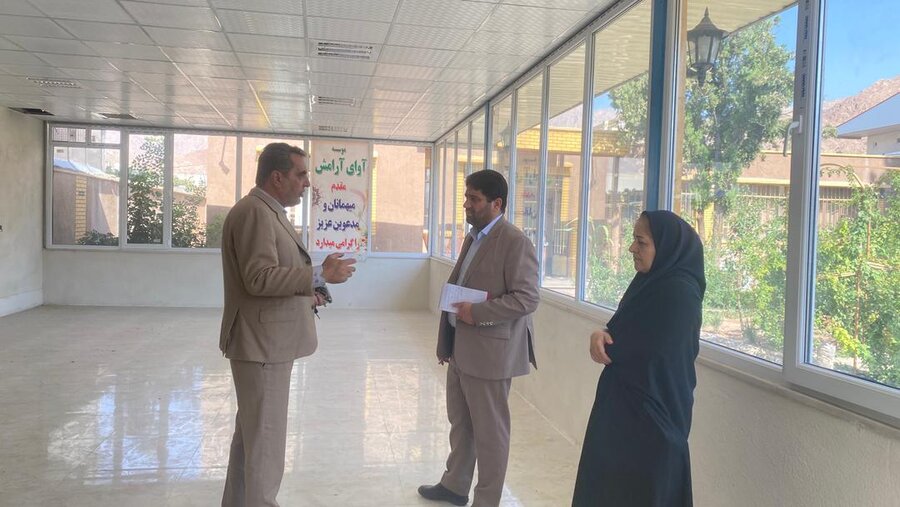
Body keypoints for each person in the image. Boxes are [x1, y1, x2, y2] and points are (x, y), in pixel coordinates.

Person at [219, 142, 356, 507]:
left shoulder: (268, 211)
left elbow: (268, 277)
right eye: (301, 174)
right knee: (264, 442)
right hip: (262, 344)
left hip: (266, 340)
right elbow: (258, 278)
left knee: (252, 438)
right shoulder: (255, 212)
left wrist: (308, 293)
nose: (307, 183)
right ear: (277, 177)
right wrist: (317, 274)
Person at [418, 170, 540, 507]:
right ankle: (454, 486)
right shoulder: (473, 238)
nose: (466, 204)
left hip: (491, 354)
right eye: (466, 197)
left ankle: (486, 500)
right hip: (462, 348)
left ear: (496, 203)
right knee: (461, 423)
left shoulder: (515, 242)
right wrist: (447, 341)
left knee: (490, 434)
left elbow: (527, 298)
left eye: (474, 199)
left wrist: (478, 313)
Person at [572, 210, 705, 507]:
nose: (632, 248)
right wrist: (602, 333)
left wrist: (610, 343)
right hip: (625, 416)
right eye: (634, 240)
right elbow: (624, 329)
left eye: (641, 242)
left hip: (653, 423)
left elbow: (655, 352)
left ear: (666, 247)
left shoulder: (680, 295)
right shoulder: (650, 283)